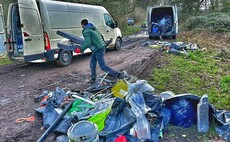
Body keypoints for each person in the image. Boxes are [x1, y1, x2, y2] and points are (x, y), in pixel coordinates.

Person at [79, 19, 124, 86]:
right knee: (92, 63)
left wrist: (81, 49)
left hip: (98, 49)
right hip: (100, 47)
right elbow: (101, 36)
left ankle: (118, 74)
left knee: (102, 66)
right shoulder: (93, 28)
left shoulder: (86, 31)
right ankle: (93, 78)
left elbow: (87, 43)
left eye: (81, 25)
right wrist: (102, 44)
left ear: (82, 25)